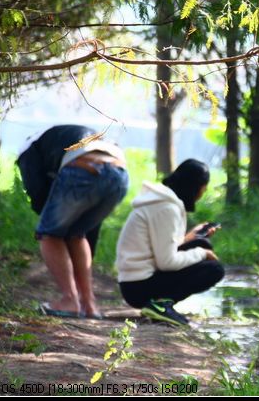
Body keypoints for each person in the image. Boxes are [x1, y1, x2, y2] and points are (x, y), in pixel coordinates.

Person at [17, 125, 129, 319]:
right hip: (120, 173)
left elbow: (38, 194)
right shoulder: (64, 136)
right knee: (77, 233)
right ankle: (89, 304)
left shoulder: (28, 149)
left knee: (48, 234)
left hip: (82, 167)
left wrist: (51, 226)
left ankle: (70, 300)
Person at [116, 159, 225, 327]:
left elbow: (161, 247)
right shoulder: (167, 208)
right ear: (195, 186)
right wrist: (202, 253)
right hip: (138, 287)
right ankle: (160, 304)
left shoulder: (162, 201)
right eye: (204, 187)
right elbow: (167, 262)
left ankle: (161, 303)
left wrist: (191, 237)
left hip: (134, 282)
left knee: (201, 243)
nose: (203, 193)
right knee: (214, 268)